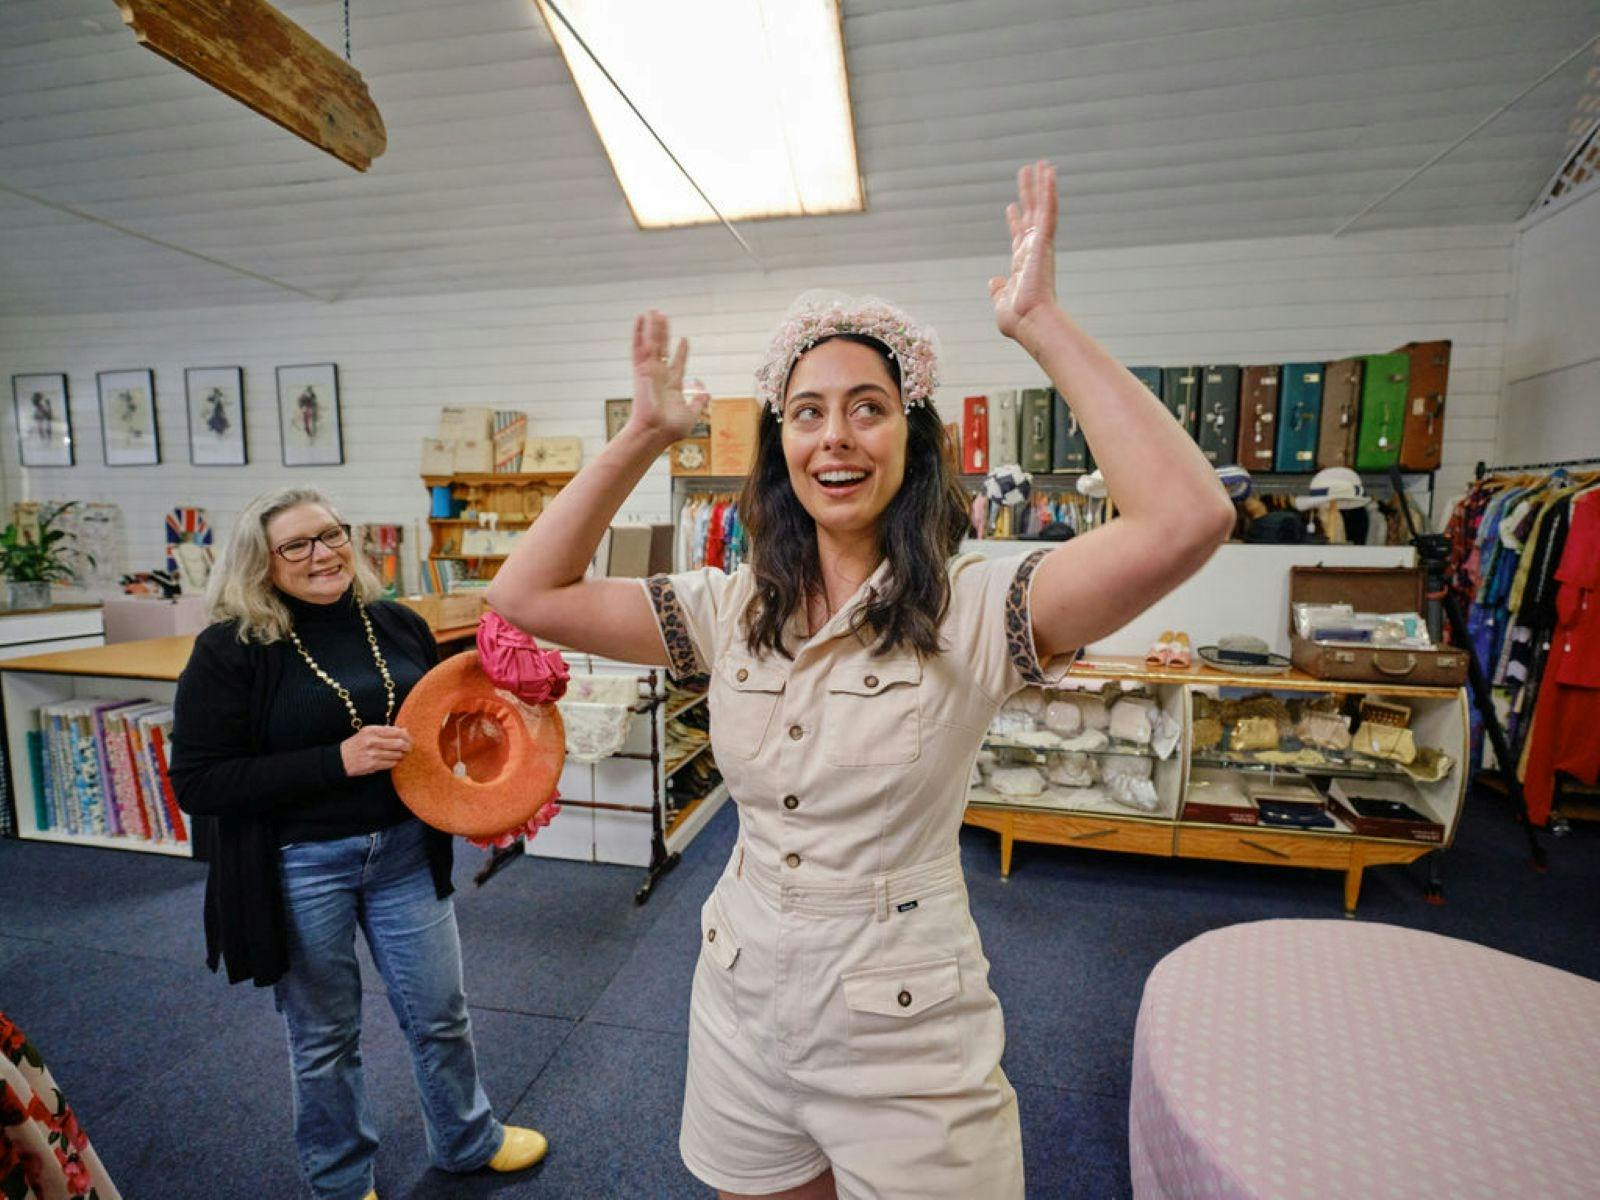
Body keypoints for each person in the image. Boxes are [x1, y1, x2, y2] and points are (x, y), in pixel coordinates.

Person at [485, 161, 1233, 1199]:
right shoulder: (726, 609)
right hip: (742, 997)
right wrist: (642, 436)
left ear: (909, 439)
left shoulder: (977, 612)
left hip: (906, 1027)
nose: (834, 435)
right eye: (807, 413)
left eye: (867, 408)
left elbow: (1187, 520)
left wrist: (1040, 322)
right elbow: (527, 591)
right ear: (780, 443)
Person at [169, 486, 546, 1200]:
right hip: (302, 864)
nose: (323, 554)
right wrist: (331, 762)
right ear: (262, 563)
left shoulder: (395, 623)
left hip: (404, 852)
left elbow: (433, 733)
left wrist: (500, 741)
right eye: (297, 545)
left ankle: (469, 1141)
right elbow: (197, 781)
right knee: (325, 1040)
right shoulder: (232, 650)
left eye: (332, 535)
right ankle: (342, 1184)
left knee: (441, 1011)